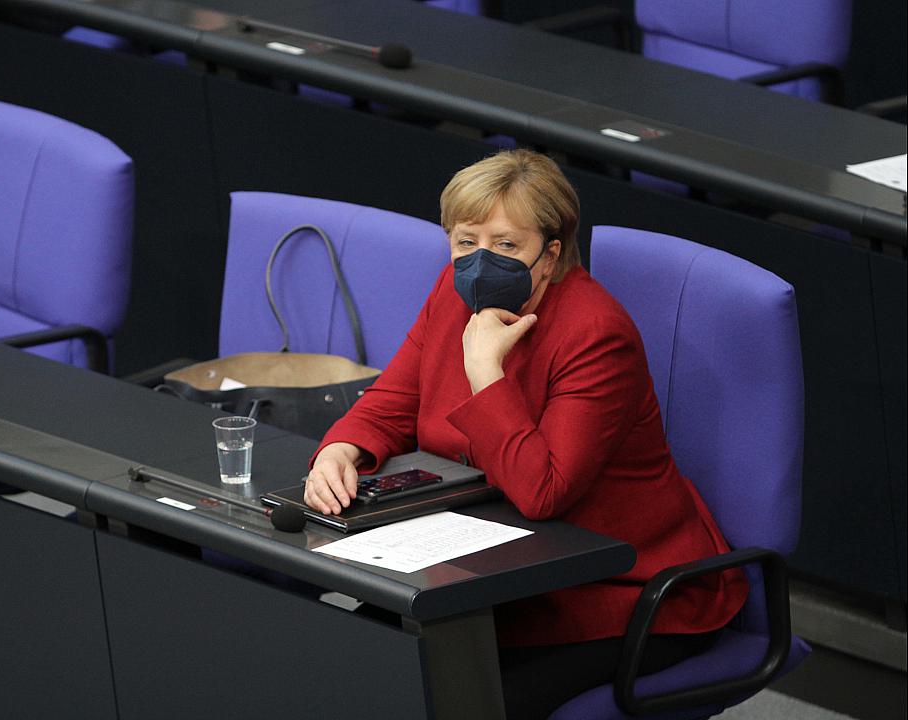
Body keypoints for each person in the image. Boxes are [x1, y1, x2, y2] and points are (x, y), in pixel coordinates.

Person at [304, 149, 748, 719]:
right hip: (493, 571)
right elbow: (395, 399)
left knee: (463, 704)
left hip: (616, 588)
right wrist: (342, 448)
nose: (479, 261)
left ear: (551, 252)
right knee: (354, 662)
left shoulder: (595, 335)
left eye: (506, 245)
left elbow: (544, 492)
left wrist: (485, 372)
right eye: (465, 241)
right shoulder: (452, 291)